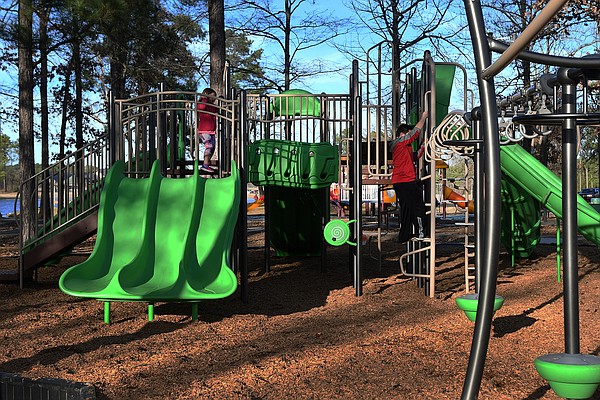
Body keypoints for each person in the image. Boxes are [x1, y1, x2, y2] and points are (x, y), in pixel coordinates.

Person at [389, 111, 429, 243]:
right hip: (406, 180)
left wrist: (423, 145)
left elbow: (414, 157)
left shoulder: (402, 148)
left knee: (406, 208)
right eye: (407, 134)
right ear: (402, 134)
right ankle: (421, 232)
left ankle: (404, 235)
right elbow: (415, 133)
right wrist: (423, 117)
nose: (411, 138)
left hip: (399, 181)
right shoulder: (400, 142)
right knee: (418, 207)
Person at [197, 88, 218, 173]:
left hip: (211, 130)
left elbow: (217, 110)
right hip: (204, 130)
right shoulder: (201, 103)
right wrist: (204, 98)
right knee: (209, 146)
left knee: (212, 147)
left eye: (214, 97)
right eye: (211, 97)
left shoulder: (211, 106)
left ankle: (206, 164)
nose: (213, 99)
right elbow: (201, 108)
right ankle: (205, 165)